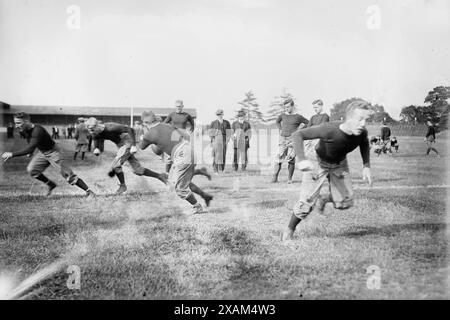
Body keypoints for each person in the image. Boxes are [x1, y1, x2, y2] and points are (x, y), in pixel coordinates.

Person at [281, 100, 372, 241]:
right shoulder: (329, 129)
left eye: (366, 120)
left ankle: (323, 199)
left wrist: (366, 166)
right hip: (317, 162)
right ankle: (289, 230)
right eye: (359, 119)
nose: (363, 124)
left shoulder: (361, 132)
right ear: (348, 118)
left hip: (339, 164)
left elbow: (364, 143)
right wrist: (302, 159)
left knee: (345, 202)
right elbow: (297, 135)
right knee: (306, 203)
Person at [1, 112, 95, 197]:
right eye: (15, 123)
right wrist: (31, 152)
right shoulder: (23, 129)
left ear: (26, 121)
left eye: (18, 123)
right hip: (43, 152)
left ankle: (89, 192)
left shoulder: (38, 130)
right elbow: (29, 140)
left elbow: (30, 147)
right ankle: (51, 184)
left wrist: (12, 154)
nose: (16, 125)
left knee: (69, 176)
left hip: (54, 152)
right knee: (32, 170)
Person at [139, 111, 213, 214]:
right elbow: (185, 136)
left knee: (180, 189)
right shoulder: (167, 125)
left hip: (181, 155)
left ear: (145, 122)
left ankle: (197, 207)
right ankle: (203, 186)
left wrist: (145, 137)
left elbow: (142, 147)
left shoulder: (149, 133)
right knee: (180, 181)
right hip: (188, 149)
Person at [85, 117, 168, 195]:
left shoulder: (111, 127)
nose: (92, 133)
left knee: (115, 165)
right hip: (121, 145)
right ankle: (160, 176)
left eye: (92, 130)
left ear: (97, 126)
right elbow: (97, 141)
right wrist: (96, 148)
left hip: (127, 142)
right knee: (137, 170)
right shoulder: (95, 132)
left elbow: (130, 130)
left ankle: (122, 186)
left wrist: (133, 145)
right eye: (90, 131)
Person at [272, 98, 309, 184]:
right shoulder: (282, 115)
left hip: (293, 139)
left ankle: (289, 179)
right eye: (285, 107)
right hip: (282, 139)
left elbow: (308, 123)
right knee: (278, 158)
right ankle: (275, 177)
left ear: (292, 106)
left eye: (288, 107)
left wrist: (300, 130)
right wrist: (280, 129)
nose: (286, 109)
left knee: (291, 159)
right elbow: (277, 121)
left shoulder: (298, 117)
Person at [163, 100, 195, 173]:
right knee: (169, 156)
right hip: (173, 137)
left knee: (182, 156)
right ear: (175, 106)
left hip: (183, 137)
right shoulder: (172, 114)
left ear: (182, 106)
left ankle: (179, 173)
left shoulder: (187, 115)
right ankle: (167, 174)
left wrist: (191, 130)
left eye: (179, 106)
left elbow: (193, 123)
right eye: (176, 106)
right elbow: (164, 124)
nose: (178, 108)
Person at [209, 109, 231, 173]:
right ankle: (215, 170)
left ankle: (221, 169)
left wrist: (227, 140)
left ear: (223, 114)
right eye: (218, 115)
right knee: (216, 155)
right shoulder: (213, 123)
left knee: (223, 154)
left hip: (224, 140)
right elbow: (210, 133)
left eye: (220, 114)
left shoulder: (227, 122)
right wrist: (213, 140)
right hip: (216, 139)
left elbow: (229, 132)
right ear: (217, 115)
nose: (219, 116)